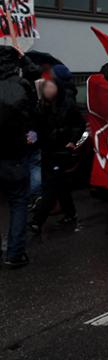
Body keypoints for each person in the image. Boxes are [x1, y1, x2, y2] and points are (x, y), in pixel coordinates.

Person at [30, 75, 86, 234]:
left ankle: (37, 221)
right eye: (45, 87)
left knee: (51, 186)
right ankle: (70, 213)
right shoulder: (41, 106)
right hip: (48, 150)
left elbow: (82, 129)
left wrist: (74, 143)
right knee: (60, 185)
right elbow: (36, 127)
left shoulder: (68, 105)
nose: (48, 90)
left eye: (51, 87)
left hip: (63, 152)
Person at [0, 46, 39, 268]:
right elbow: (32, 120)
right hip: (15, 156)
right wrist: (25, 59)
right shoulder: (22, 86)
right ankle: (14, 253)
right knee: (18, 203)